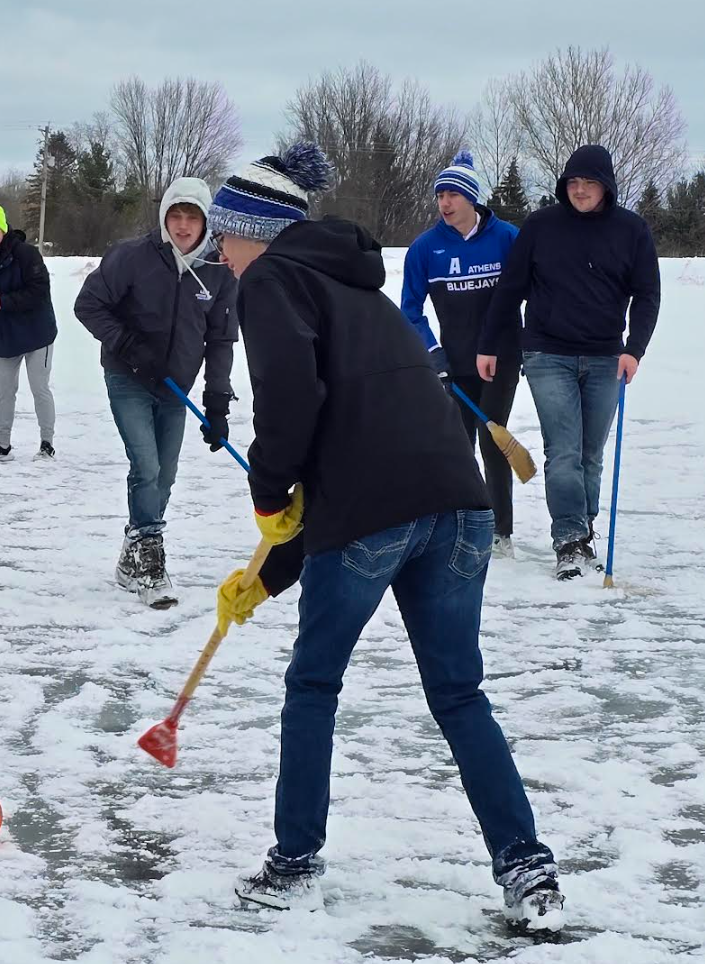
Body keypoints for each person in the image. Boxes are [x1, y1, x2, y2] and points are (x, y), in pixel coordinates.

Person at [207, 143, 563, 932]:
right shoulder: (358, 288)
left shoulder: (269, 281)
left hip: (376, 515)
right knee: (459, 692)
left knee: (312, 686)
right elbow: (359, 445)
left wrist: (268, 493)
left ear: (255, 231)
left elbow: (293, 404)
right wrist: (268, 575)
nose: (222, 257)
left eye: (225, 239)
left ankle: (295, 862)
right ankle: (526, 865)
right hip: (459, 506)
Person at [477, 144, 661, 580]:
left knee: (590, 454)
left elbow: (648, 294)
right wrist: (488, 344)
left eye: (589, 183)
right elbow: (511, 289)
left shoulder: (632, 230)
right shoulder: (542, 226)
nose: (580, 190)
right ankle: (570, 541)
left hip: (605, 357)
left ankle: (583, 528)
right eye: (573, 183)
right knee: (563, 451)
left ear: (606, 186)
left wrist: (634, 349)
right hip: (546, 353)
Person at [73, 177, 237, 609]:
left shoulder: (219, 270)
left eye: (193, 217)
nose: (183, 226)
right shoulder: (133, 257)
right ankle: (149, 556)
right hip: (128, 377)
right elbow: (87, 305)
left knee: (165, 474)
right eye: (176, 215)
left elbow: (220, 338)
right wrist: (128, 345)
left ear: (206, 221)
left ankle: (132, 555)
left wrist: (217, 401)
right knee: (145, 465)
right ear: (165, 217)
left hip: (175, 386)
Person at [400, 151, 521, 556]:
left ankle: (500, 532)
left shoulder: (506, 238)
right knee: (457, 444)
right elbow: (410, 309)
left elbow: (534, 290)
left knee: (493, 441)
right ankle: (463, 523)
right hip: (452, 363)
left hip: (501, 360)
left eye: (452, 194)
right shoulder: (426, 248)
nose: (444, 203)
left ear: (472, 198)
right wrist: (433, 353)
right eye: (440, 195)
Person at [0, 205, 57, 461]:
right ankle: (2, 446)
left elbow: (40, 290)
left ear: (3, 228)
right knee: (4, 391)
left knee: (39, 388)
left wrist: (6, 302)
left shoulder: (26, 254)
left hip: (37, 333)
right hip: (5, 336)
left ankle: (47, 444)